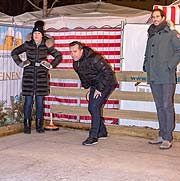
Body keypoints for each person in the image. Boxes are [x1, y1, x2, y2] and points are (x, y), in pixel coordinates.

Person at [11, 20, 62, 134]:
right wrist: (21, 63)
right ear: (32, 34)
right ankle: (27, 126)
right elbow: (14, 52)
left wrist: (50, 65)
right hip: (28, 76)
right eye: (34, 33)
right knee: (28, 102)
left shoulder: (46, 45)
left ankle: (39, 126)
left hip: (41, 78)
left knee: (40, 102)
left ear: (42, 35)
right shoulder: (28, 44)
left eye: (38, 34)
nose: (36, 35)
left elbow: (58, 56)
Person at [143, 9, 180, 149]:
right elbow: (147, 53)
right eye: (153, 17)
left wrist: (170, 66)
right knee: (159, 107)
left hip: (166, 76)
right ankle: (162, 134)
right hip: (153, 75)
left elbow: (179, 50)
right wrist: (146, 65)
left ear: (163, 17)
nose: (155, 19)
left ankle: (168, 138)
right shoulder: (151, 34)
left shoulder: (171, 33)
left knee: (166, 106)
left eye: (157, 16)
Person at [69, 41, 116, 146]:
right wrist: (90, 88)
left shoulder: (95, 58)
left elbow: (108, 72)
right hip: (95, 85)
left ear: (81, 50)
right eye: (71, 52)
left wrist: (99, 88)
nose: (73, 54)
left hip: (107, 82)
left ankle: (93, 136)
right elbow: (85, 77)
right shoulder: (76, 63)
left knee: (94, 107)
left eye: (75, 51)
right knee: (92, 107)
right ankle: (102, 132)